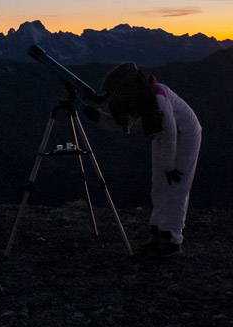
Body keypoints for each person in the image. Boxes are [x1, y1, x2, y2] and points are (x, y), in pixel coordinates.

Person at [85, 62, 201, 256]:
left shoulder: (157, 101)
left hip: (186, 134)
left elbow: (171, 134)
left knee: (177, 188)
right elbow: (127, 125)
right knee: (159, 185)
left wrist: (170, 166)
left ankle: (172, 240)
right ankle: (157, 233)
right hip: (163, 135)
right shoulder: (142, 97)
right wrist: (98, 117)